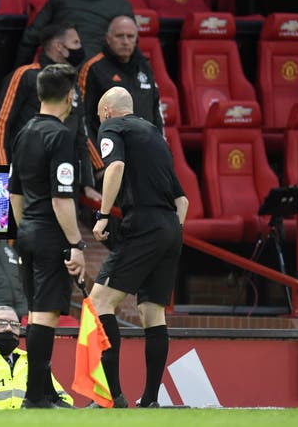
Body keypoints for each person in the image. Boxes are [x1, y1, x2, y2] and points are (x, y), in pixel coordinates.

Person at [87, 87, 188, 408]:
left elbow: (114, 167)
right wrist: (167, 232)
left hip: (142, 223)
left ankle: (111, 396)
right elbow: (182, 200)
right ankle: (150, 400)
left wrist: (103, 215)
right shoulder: (155, 135)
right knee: (151, 311)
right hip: (171, 226)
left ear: (106, 112)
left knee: (99, 301)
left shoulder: (111, 127)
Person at [8, 63, 86, 409]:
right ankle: (34, 397)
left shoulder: (23, 133)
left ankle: (44, 391)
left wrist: (27, 227)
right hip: (51, 234)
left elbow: (14, 193)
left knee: (36, 310)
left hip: (27, 232)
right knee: (46, 313)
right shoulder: (62, 136)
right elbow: (61, 198)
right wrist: (75, 244)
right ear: (70, 96)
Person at [0, 22, 100, 202]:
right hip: (26, 181)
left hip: (64, 181)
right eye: (76, 43)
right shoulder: (25, 75)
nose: (81, 48)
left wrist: (87, 182)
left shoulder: (73, 83)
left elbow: (81, 135)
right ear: (59, 47)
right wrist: (4, 175)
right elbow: (1, 124)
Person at [79, 15, 164, 174]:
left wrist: (161, 155)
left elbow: (156, 115)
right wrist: (99, 165)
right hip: (111, 161)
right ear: (108, 38)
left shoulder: (145, 67)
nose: (125, 41)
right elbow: (83, 121)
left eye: (130, 36)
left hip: (146, 160)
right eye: (119, 36)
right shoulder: (94, 69)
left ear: (136, 39)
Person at [13, 0, 134, 68]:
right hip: (100, 74)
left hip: (57, 72)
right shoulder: (122, 5)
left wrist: (19, 72)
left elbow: (31, 37)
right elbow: (131, 47)